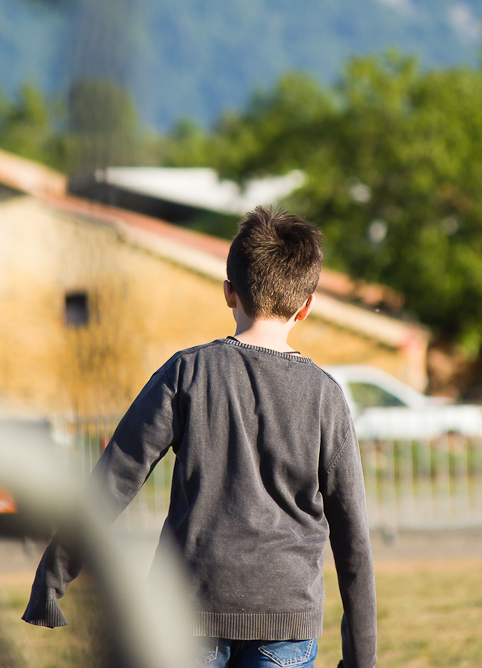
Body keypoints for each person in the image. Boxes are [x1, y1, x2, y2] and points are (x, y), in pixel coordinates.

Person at [22, 206, 376, 668]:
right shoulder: (325, 396)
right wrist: (361, 657)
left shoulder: (187, 373)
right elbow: (352, 536)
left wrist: (53, 576)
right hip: (286, 622)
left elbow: (115, 477)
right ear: (306, 306)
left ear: (229, 292)